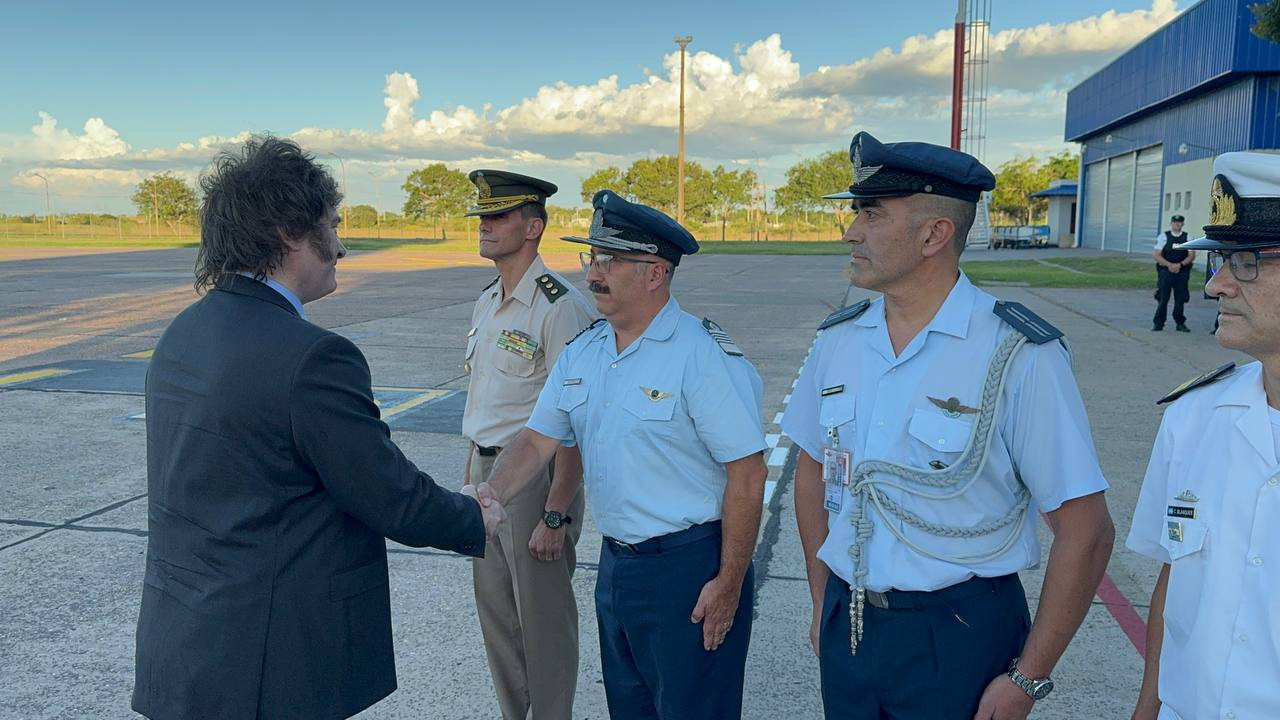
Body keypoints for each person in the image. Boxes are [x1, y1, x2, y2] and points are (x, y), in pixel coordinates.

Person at [132, 136, 504, 720]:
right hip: (271, 662)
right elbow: (387, 494)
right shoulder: (313, 357)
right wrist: (471, 516)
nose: (342, 245)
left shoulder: (184, 331)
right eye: (331, 225)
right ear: (290, 233)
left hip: (186, 647)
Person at [784, 131, 1115, 720]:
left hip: (960, 633)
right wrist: (820, 601)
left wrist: (1028, 678)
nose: (851, 232)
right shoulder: (838, 341)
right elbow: (812, 472)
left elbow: (1086, 530)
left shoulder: (1017, 353)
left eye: (872, 215)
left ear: (935, 234)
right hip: (850, 619)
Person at [473, 189, 768, 720]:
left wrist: (728, 585)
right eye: (593, 257)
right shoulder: (587, 351)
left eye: (611, 261)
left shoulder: (702, 357)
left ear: (655, 273)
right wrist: (490, 494)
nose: (592, 274)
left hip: (690, 566)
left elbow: (747, 477)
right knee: (630, 709)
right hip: (617, 568)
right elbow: (538, 440)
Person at [1129, 152, 1280, 720]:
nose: (1216, 285)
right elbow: (1175, 582)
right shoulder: (1193, 417)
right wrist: (1148, 709)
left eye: (1243, 261)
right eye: (1217, 261)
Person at [460, 169, 596, 719]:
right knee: (498, 619)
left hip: (536, 483)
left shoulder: (560, 306)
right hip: (487, 476)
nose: (485, 226)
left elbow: (576, 421)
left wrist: (557, 511)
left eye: (498, 217)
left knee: (543, 626)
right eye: (483, 217)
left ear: (533, 226)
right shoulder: (489, 300)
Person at [1152, 214, 1196, 332]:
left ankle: (1180, 323)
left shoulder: (1188, 237)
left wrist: (1180, 265)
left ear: (1182, 224)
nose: (1177, 224)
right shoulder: (1163, 237)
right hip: (1166, 271)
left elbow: (1191, 255)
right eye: (1175, 222)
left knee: (1180, 298)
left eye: (1180, 222)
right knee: (1163, 297)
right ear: (1171, 223)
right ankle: (1159, 323)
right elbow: (1157, 255)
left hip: (1182, 272)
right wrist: (1169, 265)